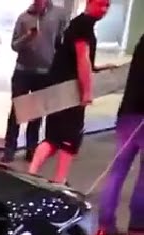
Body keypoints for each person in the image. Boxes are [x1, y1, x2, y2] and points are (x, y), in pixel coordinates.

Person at [28, 0, 109, 184]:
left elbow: (76, 59)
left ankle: (31, 173)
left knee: (53, 138)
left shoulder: (76, 24)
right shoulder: (84, 25)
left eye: (107, 5)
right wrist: (86, 92)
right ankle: (59, 180)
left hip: (58, 87)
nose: (104, 9)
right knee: (70, 139)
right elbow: (82, 59)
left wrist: (97, 68)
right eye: (101, 4)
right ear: (89, 3)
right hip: (70, 91)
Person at [3, 0, 70, 163]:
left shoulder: (58, 15)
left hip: (45, 72)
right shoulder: (24, 18)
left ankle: (31, 149)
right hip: (23, 71)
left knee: (37, 113)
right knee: (17, 111)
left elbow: (61, 42)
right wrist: (27, 37)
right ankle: (9, 149)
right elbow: (14, 45)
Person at [97, 31, 143, 235]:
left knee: (118, 170)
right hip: (141, 116)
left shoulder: (141, 43)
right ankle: (138, 221)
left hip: (127, 113)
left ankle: (105, 222)